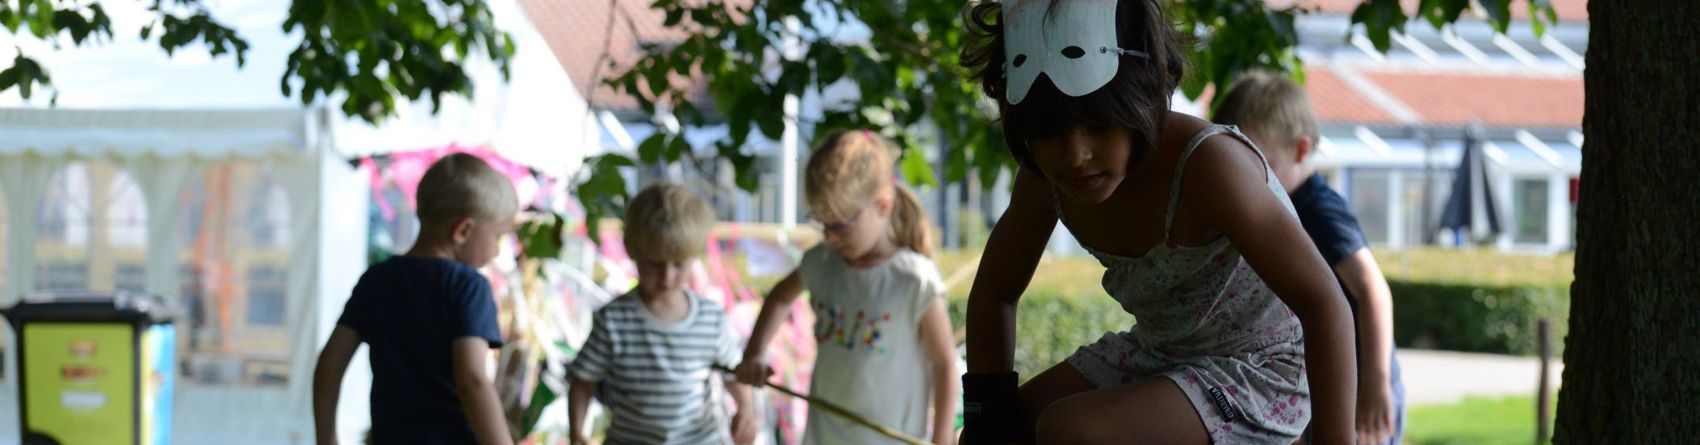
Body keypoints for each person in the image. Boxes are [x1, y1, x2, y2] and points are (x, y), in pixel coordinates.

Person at [955, 0, 1359, 443]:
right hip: (1160, 352)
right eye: (1049, 132)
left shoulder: (1208, 166)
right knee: (1007, 427)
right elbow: (995, 294)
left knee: (1070, 431)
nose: (1076, 156)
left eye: (1098, 124)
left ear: (1142, 98)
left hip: (1262, 371)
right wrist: (984, 425)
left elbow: (1325, 304)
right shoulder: (1041, 178)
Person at [1213, 70, 1406, 445]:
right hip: (1321, 378)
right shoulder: (1270, 209)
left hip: (1359, 383)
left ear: (1301, 150)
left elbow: (1373, 289)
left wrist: (1376, 383)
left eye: (1258, 161)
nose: (1242, 176)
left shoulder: (1319, 210)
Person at [736, 129, 961, 445]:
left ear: (882, 205)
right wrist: (754, 353)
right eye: (821, 222)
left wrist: (942, 438)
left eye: (840, 224)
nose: (829, 235)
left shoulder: (913, 279)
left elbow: (945, 364)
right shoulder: (821, 262)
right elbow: (779, 297)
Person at [313, 153, 519, 445]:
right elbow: (472, 379)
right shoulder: (468, 287)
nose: (497, 251)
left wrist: (326, 438)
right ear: (464, 230)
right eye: (498, 236)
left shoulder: (376, 281)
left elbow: (330, 363)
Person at [566, 183, 759, 445]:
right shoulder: (614, 320)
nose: (667, 276)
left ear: (693, 257)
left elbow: (733, 374)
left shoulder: (710, 319)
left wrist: (746, 409)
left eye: (679, 264)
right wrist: (577, 433)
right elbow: (583, 381)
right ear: (633, 251)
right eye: (654, 263)